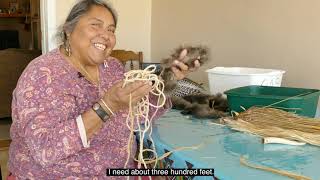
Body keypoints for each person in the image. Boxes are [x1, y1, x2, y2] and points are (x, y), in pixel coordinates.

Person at [8, 0, 200, 179]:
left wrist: (170, 78)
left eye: (111, 29)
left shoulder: (112, 67)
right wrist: (107, 106)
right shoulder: (43, 74)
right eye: (95, 25)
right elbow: (45, 149)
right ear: (69, 30)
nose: (106, 35)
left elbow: (141, 113)